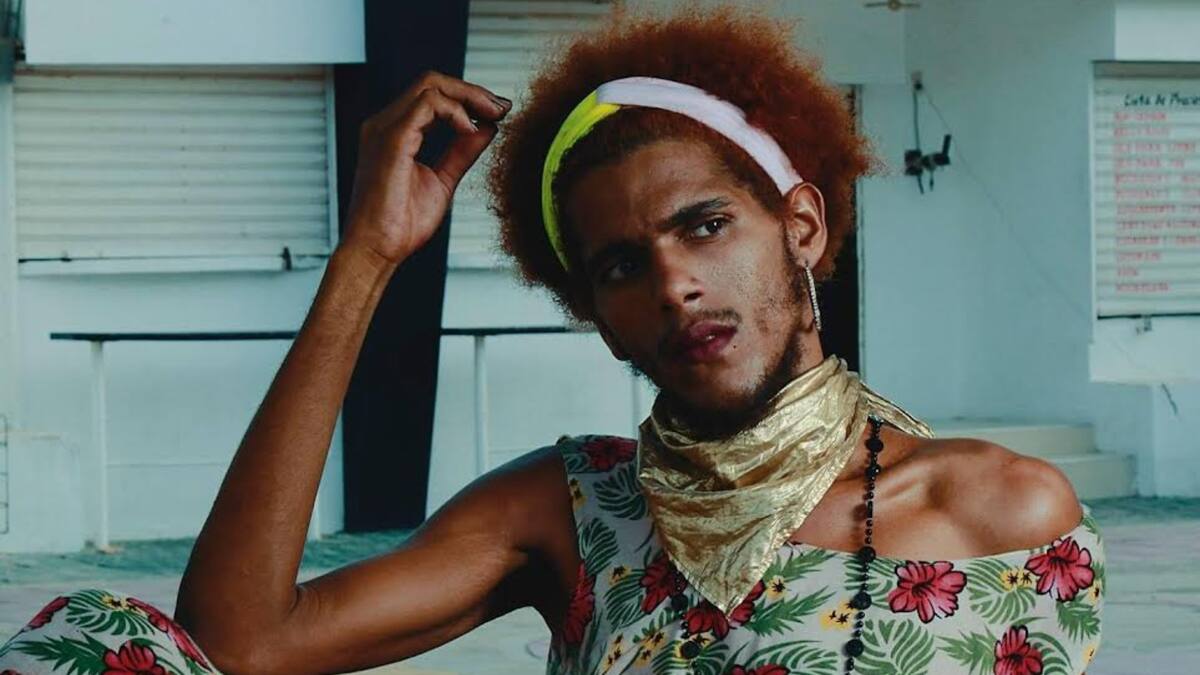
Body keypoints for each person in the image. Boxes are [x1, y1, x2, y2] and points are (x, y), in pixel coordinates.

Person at [0, 7, 1103, 675]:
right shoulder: (572, 510)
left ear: (800, 226)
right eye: (619, 265)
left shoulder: (999, 510)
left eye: (705, 226)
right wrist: (368, 259)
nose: (673, 283)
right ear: (599, 317)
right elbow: (240, 642)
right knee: (88, 641)